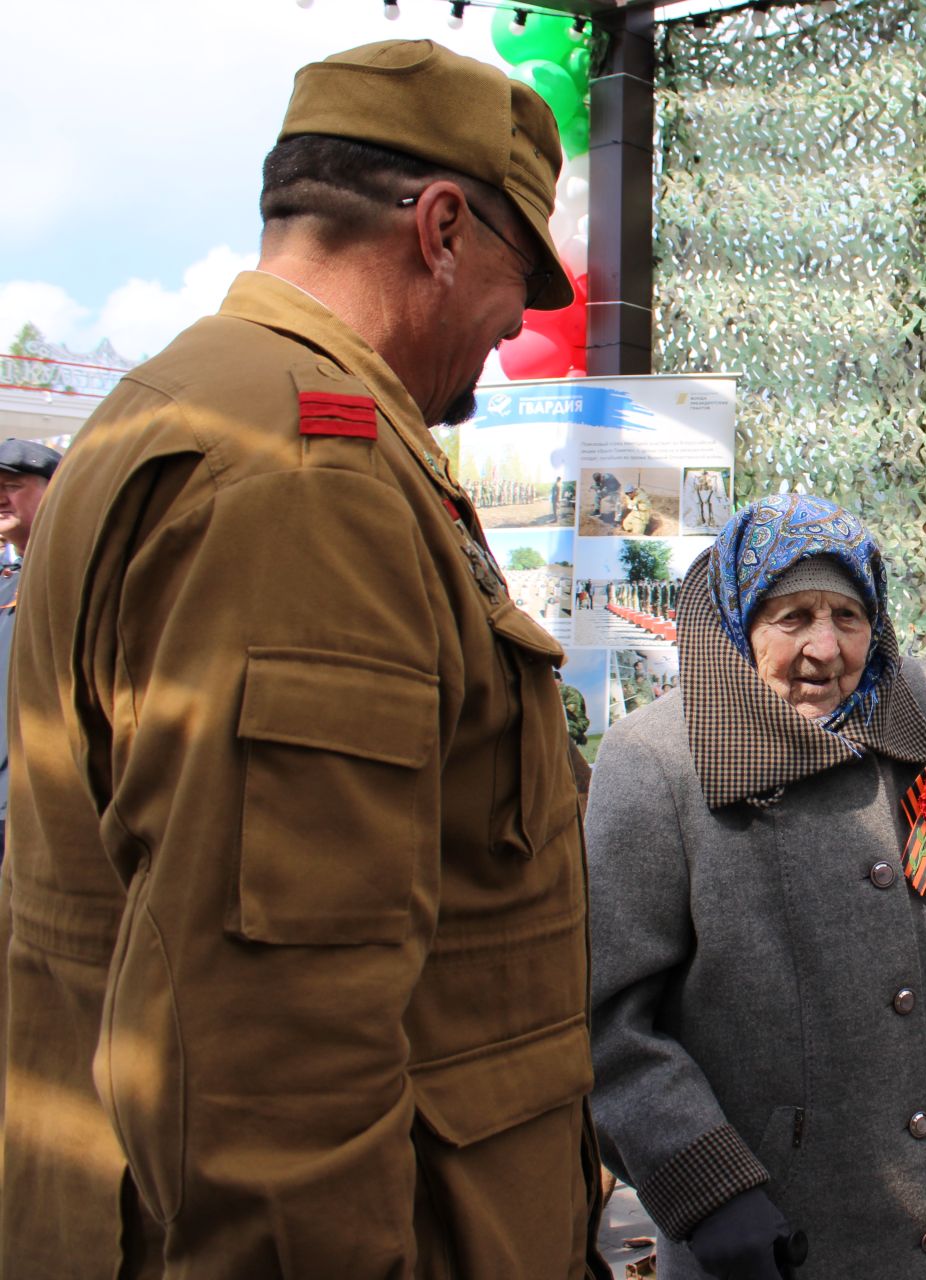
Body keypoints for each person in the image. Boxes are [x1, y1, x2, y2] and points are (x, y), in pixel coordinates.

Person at [0, 41, 607, 1278]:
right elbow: (277, 1038)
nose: (512, 332)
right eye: (517, 282)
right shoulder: (304, 479)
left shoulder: (193, 404)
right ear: (442, 227)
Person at [588, 493, 926, 1280]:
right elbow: (610, 1022)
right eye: (791, 618)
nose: (825, 650)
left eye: (848, 617)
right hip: (778, 1216)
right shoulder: (656, 763)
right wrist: (704, 1185)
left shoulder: (917, 708)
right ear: (737, 619)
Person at [0, 439, 60, 864]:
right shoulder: (8, 582)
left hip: (37, 795)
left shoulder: (73, 575)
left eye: (13, 484)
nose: (1, 496)